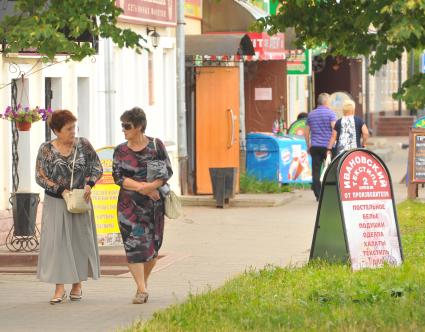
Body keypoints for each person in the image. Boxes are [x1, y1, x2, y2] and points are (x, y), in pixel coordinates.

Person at [35, 109, 103, 304]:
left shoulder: (84, 145)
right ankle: (59, 288)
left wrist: (90, 183)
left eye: (74, 127)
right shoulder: (46, 149)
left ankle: (77, 284)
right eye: (68, 128)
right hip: (56, 202)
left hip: (80, 201)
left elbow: (96, 167)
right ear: (57, 131)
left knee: (79, 243)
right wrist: (61, 190)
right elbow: (40, 176)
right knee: (57, 245)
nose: (73, 131)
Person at [112, 107, 173, 304]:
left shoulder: (155, 146)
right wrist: (142, 187)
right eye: (122, 126)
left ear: (139, 126)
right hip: (129, 207)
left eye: (127, 126)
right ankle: (141, 289)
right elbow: (118, 177)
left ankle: (142, 285)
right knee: (134, 245)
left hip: (153, 206)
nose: (123, 129)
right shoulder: (120, 150)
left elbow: (166, 172)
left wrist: (152, 186)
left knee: (152, 248)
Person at [304, 93, 336, 201]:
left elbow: (306, 131)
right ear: (326, 102)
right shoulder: (331, 114)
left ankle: (318, 194)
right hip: (328, 147)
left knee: (316, 171)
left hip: (315, 146)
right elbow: (334, 129)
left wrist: (308, 145)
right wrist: (333, 144)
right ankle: (329, 193)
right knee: (330, 170)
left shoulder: (311, 114)